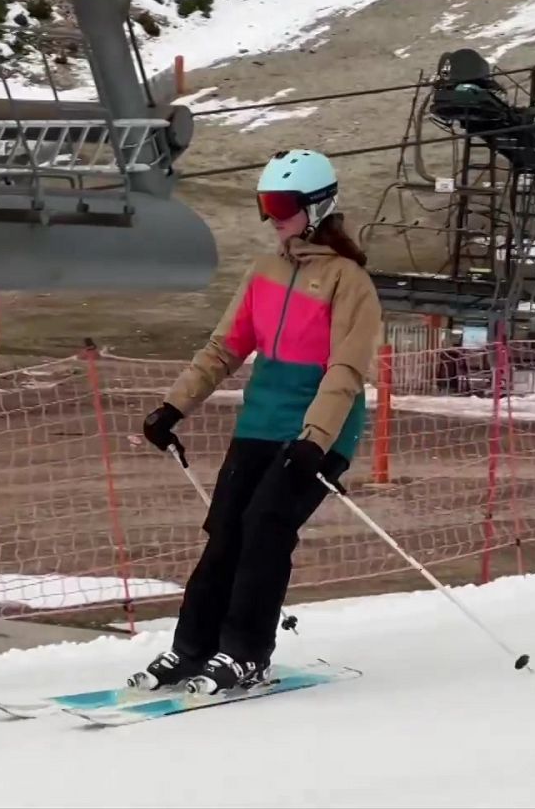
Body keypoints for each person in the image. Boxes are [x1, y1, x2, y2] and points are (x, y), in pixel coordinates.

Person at [131, 148, 382, 695]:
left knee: (266, 529)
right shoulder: (265, 271)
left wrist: (316, 439)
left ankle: (246, 652)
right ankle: (193, 648)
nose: (273, 217)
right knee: (224, 534)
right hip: (261, 423)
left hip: (321, 430)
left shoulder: (349, 282)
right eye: (265, 205)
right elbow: (225, 348)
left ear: (316, 207)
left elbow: (344, 370)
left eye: (283, 205)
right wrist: (173, 406)